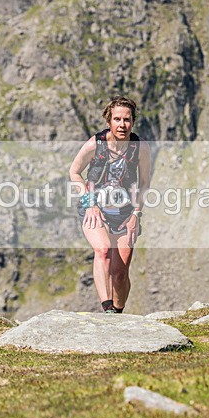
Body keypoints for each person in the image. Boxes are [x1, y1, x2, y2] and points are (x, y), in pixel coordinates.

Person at [69, 96, 151, 314]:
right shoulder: (95, 144)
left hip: (125, 212)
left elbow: (144, 184)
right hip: (95, 208)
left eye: (127, 120)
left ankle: (118, 311)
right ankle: (107, 309)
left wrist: (136, 215)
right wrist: (90, 203)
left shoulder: (140, 147)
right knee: (103, 250)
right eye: (117, 119)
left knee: (120, 272)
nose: (122, 125)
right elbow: (74, 172)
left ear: (132, 122)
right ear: (109, 121)